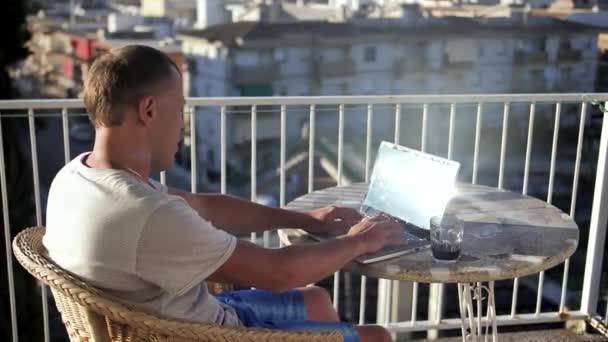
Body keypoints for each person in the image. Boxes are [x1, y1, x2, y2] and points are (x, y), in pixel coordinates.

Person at [43, 45, 406, 342]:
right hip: (202, 334)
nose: (183, 126)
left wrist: (304, 218)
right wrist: (359, 242)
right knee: (378, 337)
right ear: (149, 110)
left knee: (317, 300)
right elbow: (280, 272)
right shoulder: (146, 213)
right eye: (180, 109)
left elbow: (204, 205)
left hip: (177, 316)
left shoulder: (78, 175)